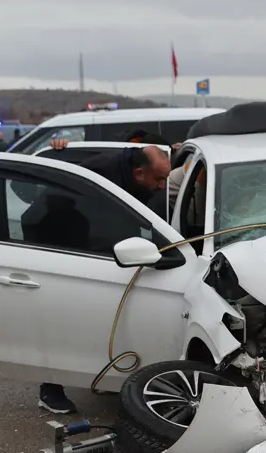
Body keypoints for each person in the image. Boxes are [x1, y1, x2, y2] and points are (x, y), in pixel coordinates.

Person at [33, 144, 172, 414]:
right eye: (159, 179)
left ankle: (106, 376)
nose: (162, 186)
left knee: (110, 322)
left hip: (111, 254)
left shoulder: (135, 174)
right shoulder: (100, 174)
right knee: (67, 321)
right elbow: (59, 205)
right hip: (70, 250)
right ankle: (50, 389)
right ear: (139, 174)